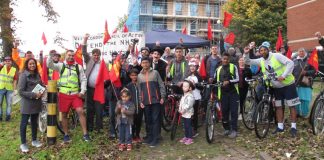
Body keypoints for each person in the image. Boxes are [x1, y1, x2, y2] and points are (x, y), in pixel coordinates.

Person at [243, 42, 300, 137]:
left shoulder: (276, 56)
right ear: (259, 52)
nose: (263, 52)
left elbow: (290, 63)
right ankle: (280, 127)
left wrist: (283, 75)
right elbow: (248, 61)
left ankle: (294, 127)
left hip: (288, 84)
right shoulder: (261, 60)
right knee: (278, 107)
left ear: (268, 50)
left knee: (291, 106)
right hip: (277, 87)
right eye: (261, 50)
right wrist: (246, 53)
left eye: (265, 49)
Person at [47, 49, 90, 142]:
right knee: (64, 114)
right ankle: (66, 134)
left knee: (81, 111)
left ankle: (85, 134)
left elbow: (83, 79)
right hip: (63, 94)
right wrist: (50, 55)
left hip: (75, 94)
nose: (71, 57)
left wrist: (82, 91)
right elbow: (49, 65)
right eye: (69, 55)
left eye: (72, 55)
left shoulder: (79, 67)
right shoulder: (60, 65)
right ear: (65, 56)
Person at [138, 57, 166, 147]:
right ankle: (149, 137)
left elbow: (161, 85)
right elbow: (139, 89)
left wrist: (162, 96)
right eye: (143, 63)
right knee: (148, 120)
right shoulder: (139, 76)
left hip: (156, 101)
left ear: (150, 63)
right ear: (141, 64)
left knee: (155, 120)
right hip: (145, 102)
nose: (145, 64)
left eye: (147, 62)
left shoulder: (155, 73)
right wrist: (140, 101)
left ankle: (155, 138)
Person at [18, 58, 43, 152]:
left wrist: (43, 88)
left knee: (34, 122)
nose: (32, 65)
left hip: (36, 103)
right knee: (24, 123)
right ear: (27, 65)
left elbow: (40, 85)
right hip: (27, 104)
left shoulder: (37, 74)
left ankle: (34, 140)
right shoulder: (23, 75)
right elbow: (20, 91)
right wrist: (33, 95)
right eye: (30, 64)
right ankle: (23, 143)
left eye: (34, 64)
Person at [82, 34, 104, 133]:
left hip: (99, 90)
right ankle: (89, 127)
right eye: (94, 55)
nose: (96, 56)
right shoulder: (88, 60)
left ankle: (99, 128)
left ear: (100, 56)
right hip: (89, 89)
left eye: (97, 55)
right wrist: (85, 39)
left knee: (99, 109)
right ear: (92, 55)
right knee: (90, 109)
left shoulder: (103, 64)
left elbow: (106, 76)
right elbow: (83, 52)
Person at [215, 53, 240, 138]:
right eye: (224, 59)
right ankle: (226, 129)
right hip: (223, 94)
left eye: (226, 59)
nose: (225, 60)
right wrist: (211, 80)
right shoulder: (218, 69)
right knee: (224, 112)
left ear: (229, 59)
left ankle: (234, 130)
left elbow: (238, 79)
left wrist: (229, 81)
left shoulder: (233, 67)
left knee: (233, 112)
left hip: (233, 93)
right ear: (221, 59)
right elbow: (215, 79)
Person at [292, 48, 316, 118]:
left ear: (305, 52)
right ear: (298, 52)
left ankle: (304, 114)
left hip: (306, 84)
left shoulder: (310, 61)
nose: (301, 52)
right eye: (300, 51)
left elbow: (314, 71)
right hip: (296, 83)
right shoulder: (294, 61)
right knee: (296, 100)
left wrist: (306, 72)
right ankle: (297, 113)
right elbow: (291, 71)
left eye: (303, 51)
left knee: (305, 100)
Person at [185, 59, 202, 136]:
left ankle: (195, 129)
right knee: (188, 113)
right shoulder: (187, 75)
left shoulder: (198, 76)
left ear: (196, 67)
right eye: (191, 66)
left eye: (194, 66)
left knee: (194, 114)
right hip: (188, 97)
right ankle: (188, 128)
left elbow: (201, 87)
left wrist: (196, 85)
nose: (192, 67)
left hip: (196, 97)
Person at [126, 69, 143, 143]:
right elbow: (126, 97)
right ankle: (132, 136)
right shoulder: (128, 86)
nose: (134, 77)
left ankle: (138, 135)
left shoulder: (140, 84)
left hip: (139, 107)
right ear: (130, 76)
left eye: (135, 75)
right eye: (132, 75)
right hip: (132, 108)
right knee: (132, 123)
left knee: (139, 122)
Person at [0, 56, 18, 121]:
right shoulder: (1, 67)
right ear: (4, 62)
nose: (8, 62)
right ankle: (0, 116)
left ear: (11, 62)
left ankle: (8, 117)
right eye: (6, 61)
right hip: (1, 88)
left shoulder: (14, 69)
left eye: (9, 61)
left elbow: (15, 80)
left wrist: (15, 89)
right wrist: (1, 64)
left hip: (9, 89)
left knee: (9, 104)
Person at [178, 80, 195, 145]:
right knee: (185, 126)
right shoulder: (184, 95)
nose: (184, 88)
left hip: (188, 114)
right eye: (183, 86)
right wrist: (180, 108)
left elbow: (189, 105)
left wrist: (183, 110)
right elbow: (181, 103)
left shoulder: (190, 96)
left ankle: (190, 138)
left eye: (186, 86)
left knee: (188, 126)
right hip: (184, 114)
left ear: (190, 88)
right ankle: (186, 136)